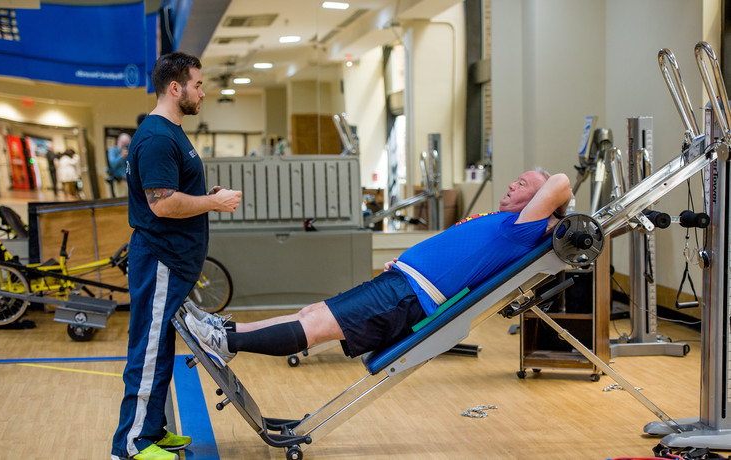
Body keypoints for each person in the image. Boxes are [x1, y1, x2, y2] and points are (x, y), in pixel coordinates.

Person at [183, 169, 572, 367]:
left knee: (316, 328)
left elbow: (561, 182)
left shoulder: (524, 230)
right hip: (400, 283)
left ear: (538, 202)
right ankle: (228, 331)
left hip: (407, 298)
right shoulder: (507, 221)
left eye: (522, 185)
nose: (510, 186)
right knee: (311, 313)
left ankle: (225, 345)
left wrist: (546, 204)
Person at [111, 52, 243, 460]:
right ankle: (130, 446)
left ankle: (153, 430)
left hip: (172, 262)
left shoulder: (171, 132)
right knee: (148, 351)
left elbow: (173, 191)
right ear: (175, 87)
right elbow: (163, 204)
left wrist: (207, 197)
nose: (202, 92)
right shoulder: (156, 138)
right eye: (198, 84)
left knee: (162, 348)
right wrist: (213, 203)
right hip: (160, 260)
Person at [107, 133, 131, 197]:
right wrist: (122, 156)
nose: (125, 145)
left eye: (127, 143)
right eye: (123, 142)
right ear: (118, 142)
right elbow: (113, 165)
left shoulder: (130, 151)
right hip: (120, 182)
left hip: (131, 181)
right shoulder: (113, 151)